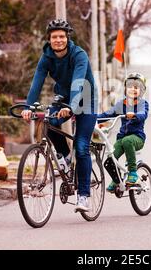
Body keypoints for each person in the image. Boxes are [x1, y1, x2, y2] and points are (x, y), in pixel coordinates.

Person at [21, 19, 98, 213]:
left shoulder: (79, 54)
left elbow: (79, 82)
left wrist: (72, 107)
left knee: (81, 147)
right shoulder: (46, 57)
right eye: (54, 37)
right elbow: (37, 81)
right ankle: (63, 159)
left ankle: (84, 195)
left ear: (67, 38)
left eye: (62, 36)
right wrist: (28, 107)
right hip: (64, 98)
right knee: (50, 123)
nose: (58, 40)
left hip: (86, 99)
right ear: (49, 39)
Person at [97, 72, 149, 192]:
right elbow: (108, 114)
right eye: (130, 86)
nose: (133, 89)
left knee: (127, 141)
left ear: (141, 91)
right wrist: (92, 118)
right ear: (126, 89)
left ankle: (133, 172)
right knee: (110, 159)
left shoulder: (142, 104)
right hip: (122, 139)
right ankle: (116, 180)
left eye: (136, 87)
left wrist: (135, 115)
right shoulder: (122, 104)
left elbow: (143, 114)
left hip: (137, 138)